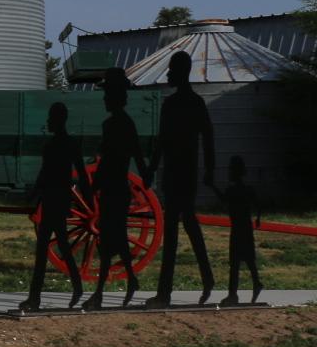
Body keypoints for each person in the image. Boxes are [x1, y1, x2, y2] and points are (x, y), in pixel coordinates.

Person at [145, 50, 216, 307]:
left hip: (178, 173)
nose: (168, 74)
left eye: (171, 70)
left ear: (181, 72)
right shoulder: (193, 103)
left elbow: (163, 141)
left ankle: (165, 293)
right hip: (184, 172)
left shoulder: (175, 104)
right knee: (188, 225)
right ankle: (206, 277)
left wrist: (152, 168)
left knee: (175, 231)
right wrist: (209, 169)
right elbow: (206, 137)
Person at [88, 68, 150, 309]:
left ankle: (100, 294)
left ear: (115, 97)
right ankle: (130, 281)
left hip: (114, 188)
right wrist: (145, 175)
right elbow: (135, 153)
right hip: (116, 187)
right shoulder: (121, 123)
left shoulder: (116, 124)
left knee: (108, 240)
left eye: (107, 95)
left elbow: (117, 157)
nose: (104, 99)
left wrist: (94, 184)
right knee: (116, 239)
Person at [21, 101, 87, 311]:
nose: (48, 122)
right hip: (58, 199)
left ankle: (36, 297)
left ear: (58, 120)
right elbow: (82, 173)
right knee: (59, 247)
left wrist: (33, 195)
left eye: (51, 118)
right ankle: (75, 286)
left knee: (45, 250)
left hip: (53, 200)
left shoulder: (53, 146)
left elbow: (44, 174)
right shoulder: (70, 144)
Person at [211, 155, 264, 305]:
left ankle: (233, 294)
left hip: (237, 228)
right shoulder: (248, 190)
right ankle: (256, 282)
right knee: (249, 259)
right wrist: (258, 219)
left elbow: (222, 200)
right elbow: (259, 204)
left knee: (234, 262)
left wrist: (213, 186)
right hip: (246, 227)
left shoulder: (231, 190)